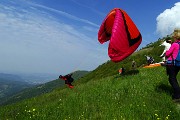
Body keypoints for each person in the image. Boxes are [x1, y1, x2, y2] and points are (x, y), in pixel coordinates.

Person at [165, 29, 180, 102]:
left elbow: (168, 54)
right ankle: (177, 93)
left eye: (174, 35)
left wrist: (167, 50)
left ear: (176, 36)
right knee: (173, 78)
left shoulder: (174, 44)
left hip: (172, 64)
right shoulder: (178, 44)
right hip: (178, 63)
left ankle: (177, 96)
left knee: (172, 79)